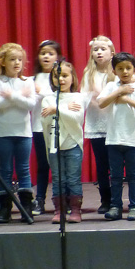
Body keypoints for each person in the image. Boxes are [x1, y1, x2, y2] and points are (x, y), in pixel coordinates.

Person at [98, 52, 135, 220]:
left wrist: (127, 99)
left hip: (132, 140)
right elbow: (101, 103)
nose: (125, 71)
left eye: (128, 68)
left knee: (134, 175)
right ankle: (115, 206)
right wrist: (118, 91)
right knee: (116, 176)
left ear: (134, 69)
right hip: (113, 139)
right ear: (114, 71)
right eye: (120, 68)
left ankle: (134, 206)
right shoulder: (111, 86)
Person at [0, 43, 37, 223]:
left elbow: (30, 104)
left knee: (23, 169)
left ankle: (26, 207)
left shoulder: (28, 81)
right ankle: (4, 208)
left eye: (19, 59)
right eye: (12, 59)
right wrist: (20, 96)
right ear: (3, 62)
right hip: (3, 132)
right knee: (5, 170)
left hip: (23, 132)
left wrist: (10, 95)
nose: (17, 63)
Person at [40, 61, 86, 223]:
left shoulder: (78, 97)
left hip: (73, 144)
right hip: (54, 145)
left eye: (65, 75)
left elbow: (76, 119)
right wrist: (65, 108)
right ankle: (59, 210)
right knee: (58, 178)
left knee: (73, 178)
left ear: (72, 78)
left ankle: (75, 210)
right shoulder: (47, 99)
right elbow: (45, 121)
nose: (61, 79)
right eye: (57, 76)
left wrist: (57, 109)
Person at [81, 36, 116, 214]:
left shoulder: (116, 73)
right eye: (96, 50)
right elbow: (85, 97)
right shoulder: (89, 74)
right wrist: (96, 99)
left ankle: (116, 199)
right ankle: (105, 199)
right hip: (96, 125)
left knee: (115, 165)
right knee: (102, 165)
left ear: (112, 53)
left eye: (103, 49)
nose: (99, 52)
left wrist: (102, 97)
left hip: (114, 125)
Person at [31, 40, 61, 215]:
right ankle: (40, 199)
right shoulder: (33, 79)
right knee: (43, 165)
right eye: (43, 53)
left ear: (58, 57)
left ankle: (61, 200)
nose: (46, 57)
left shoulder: (61, 75)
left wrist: (40, 92)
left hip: (58, 127)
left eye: (50, 53)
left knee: (60, 165)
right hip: (38, 126)